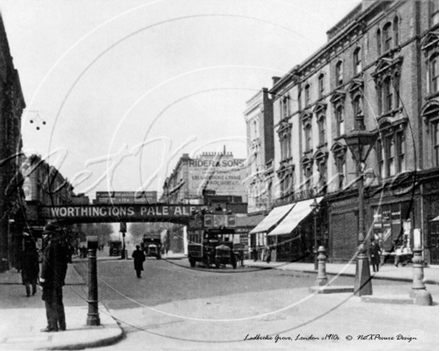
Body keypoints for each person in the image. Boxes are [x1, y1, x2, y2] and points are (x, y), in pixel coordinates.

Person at [39, 223, 69, 332]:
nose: (43, 236)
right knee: (59, 302)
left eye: (45, 234)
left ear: (50, 235)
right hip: (58, 281)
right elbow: (65, 264)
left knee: (49, 302)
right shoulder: (60, 247)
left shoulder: (49, 248)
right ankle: (62, 325)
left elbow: (45, 266)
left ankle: (52, 325)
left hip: (49, 281)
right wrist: (61, 278)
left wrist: (42, 281)